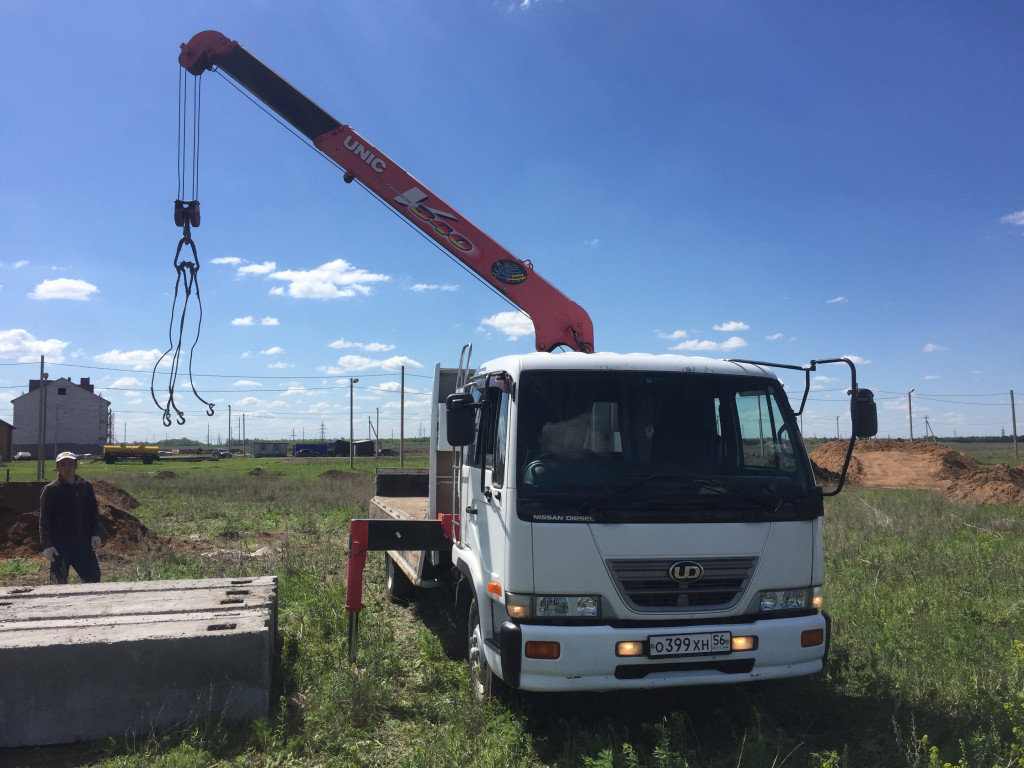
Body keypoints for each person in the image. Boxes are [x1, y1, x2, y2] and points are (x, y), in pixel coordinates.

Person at [39, 451, 102, 584]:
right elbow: (44, 519)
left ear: (76, 465)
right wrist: (47, 545)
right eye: (63, 464)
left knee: (94, 579)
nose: (67, 467)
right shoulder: (51, 490)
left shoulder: (85, 486)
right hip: (60, 546)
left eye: (70, 463)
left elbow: (93, 512)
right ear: (57, 467)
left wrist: (95, 534)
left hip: (83, 543)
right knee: (58, 582)